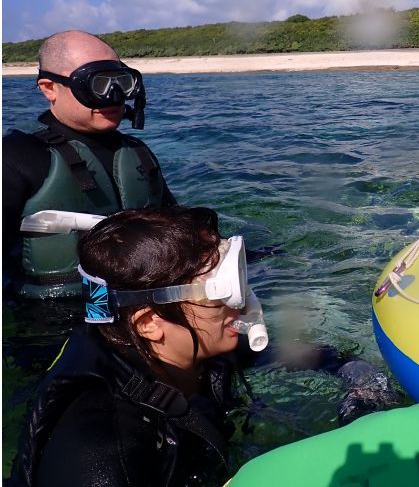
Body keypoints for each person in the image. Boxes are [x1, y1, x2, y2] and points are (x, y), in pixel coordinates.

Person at [10, 206, 260, 487]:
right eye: (222, 291)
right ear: (150, 322)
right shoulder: (104, 453)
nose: (238, 302)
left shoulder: (201, 339)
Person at [3, 30, 175, 299]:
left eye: (122, 83)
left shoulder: (137, 152)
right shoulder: (16, 157)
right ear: (49, 88)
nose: (114, 96)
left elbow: (177, 227)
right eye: (98, 85)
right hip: (51, 321)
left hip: (140, 305)